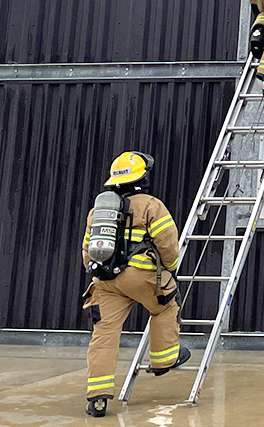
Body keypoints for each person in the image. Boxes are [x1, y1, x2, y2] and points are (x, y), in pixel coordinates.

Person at [82, 152, 189, 418]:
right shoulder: (151, 204)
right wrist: (171, 268)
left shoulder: (99, 210)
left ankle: (97, 398)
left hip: (105, 280)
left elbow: (87, 249)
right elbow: (167, 242)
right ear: (142, 178)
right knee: (165, 306)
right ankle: (164, 359)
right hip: (141, 276)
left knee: (104, 335)